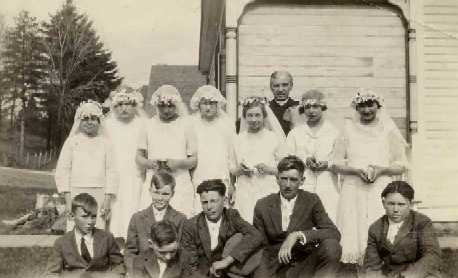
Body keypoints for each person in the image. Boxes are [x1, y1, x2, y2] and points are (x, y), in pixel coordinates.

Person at [331, 88, 409, 264]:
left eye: (370, 105)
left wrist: (381, 170)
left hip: (379, 187)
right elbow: (335, 163)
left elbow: (401, 165)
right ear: (356, 108)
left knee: (377, 221)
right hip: (353, 185)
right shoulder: (348, 129)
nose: (366, 110)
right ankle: (353, 266)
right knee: (353, 225)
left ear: (378, 106)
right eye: (362, 106)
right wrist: (355, 170)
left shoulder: (387, 129)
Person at [253, 155, 341, 278]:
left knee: (332, 246)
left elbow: (333, 232)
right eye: (284, 179)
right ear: (277, 179)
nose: (288, 185)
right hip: (275, 265)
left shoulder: (311, 200)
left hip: (304, 264)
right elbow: (259, 246)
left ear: (302, 180)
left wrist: (298, 235)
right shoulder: (263, 205)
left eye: (293, 180)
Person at [55, 100, 118, 231]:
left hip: (99, 193)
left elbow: (112, 171)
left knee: (96, 228)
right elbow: (63, 170)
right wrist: (68, 200)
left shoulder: (106, 143)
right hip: (75, 192)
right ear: (79, 121)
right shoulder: (72, 142)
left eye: (94, 118)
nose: (90, 122)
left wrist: (106, 201)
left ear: (99, 121)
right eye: (85, 119)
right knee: (75, 228)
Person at [181, 179, 263, 278]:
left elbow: (256, 235)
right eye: (204, 202)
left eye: (213, 201)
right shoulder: (191, 225)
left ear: (224, 201)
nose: (209, 207)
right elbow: (190, 267)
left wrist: (227, 261)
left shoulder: (232, 216)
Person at [136, 84, 197, 216]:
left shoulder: (186, 125)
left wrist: (179, 163)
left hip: (179, 180)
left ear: (176, 105)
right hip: (155, 178)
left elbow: (193, 159)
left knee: (180, 218)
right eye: (162, 105)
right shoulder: (148, 125)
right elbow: (138, 157)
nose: (166, 110)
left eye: (170, 105)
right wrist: (149, 163)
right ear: (156, 106)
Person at [282, 90, 340, 223]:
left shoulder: (334, 132)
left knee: (328, 217)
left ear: (323, 108)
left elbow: (340, 159)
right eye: (307, 107)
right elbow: (286, 159)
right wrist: (304, 160)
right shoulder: (295, 133)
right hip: (304, 183)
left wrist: (327, 164)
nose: (311, 111)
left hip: (327, 183)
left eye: (315, 107)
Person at [363, 181, 442, 278]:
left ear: (410, 204)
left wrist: (407, 275)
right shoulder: (375, 228)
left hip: (418, 274)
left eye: (401, 204)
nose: (396, 209)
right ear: (384, 203)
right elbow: (372, 265)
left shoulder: (422, 223)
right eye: (391, 204)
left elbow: (432, 256)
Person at [44, 193, 124, 277]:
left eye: (93, 217)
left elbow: (119, 265)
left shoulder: (107, 238)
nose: (90, 222)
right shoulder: (61, 243)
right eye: (85, 217)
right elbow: (52, 273)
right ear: (72, 216)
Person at [231, 96, 283, 223]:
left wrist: (268, 169)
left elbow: (284, 169)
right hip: (245, 189)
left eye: (257, 115)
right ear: (244, 117)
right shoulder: (238, 139)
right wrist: (240, 170)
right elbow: (232, 168)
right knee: (246, 222)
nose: (253, 119)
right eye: (250, 115)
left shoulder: (273, 138)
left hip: (267, 188)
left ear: (264, 116)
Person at [104, 89, 147, 239]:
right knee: (115, 207)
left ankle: (132, 242)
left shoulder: (142, 124)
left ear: (135, 105)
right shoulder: (108, 125)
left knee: (133, 204)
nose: (123, 108)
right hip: (114, 172)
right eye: (120, 104)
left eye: (128, 104)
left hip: (134, 172)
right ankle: (114, 240)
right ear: (114, 107)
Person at [125, 171, 186, 274]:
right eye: (156, 193)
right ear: (150, 191)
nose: (160, 198)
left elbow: (182, 254)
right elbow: (130, 252)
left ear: (173, 194)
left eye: (165, 194)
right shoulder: (137, 218)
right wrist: (135, 273)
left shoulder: (181, 219)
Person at [189, 85, 235, 193]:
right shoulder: (192, 124)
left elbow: (232, 156)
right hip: (200, 174)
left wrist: (232, 184)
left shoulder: (226, 125)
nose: (208, 107)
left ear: (217, 104)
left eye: (211, 103)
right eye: (205, 103)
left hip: (221, 174)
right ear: (199, 105)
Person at [268, 71, 299, 135]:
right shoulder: (266, 108)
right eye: (276, 86)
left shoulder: (299, 107)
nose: (280, 89)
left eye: (285, 85)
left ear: (291, 86)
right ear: (271, 87)